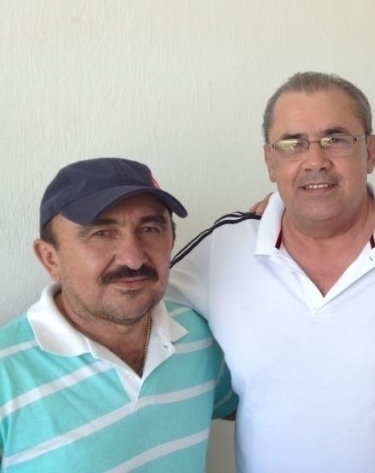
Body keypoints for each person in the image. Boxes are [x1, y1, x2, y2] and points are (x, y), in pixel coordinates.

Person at [167, 72, 375, 473]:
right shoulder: (224, 249)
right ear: (270, 161)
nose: (315, 161)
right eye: (292, 144)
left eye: (335, 139)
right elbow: (141, 311)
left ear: (371, 151)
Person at [0, 158, 238, 472]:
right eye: (101, 233)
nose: (134, 258)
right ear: (50, 258)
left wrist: (286, 218)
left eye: (150, 229)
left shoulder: (199, 337)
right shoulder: (6, 374)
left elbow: (261, 403)